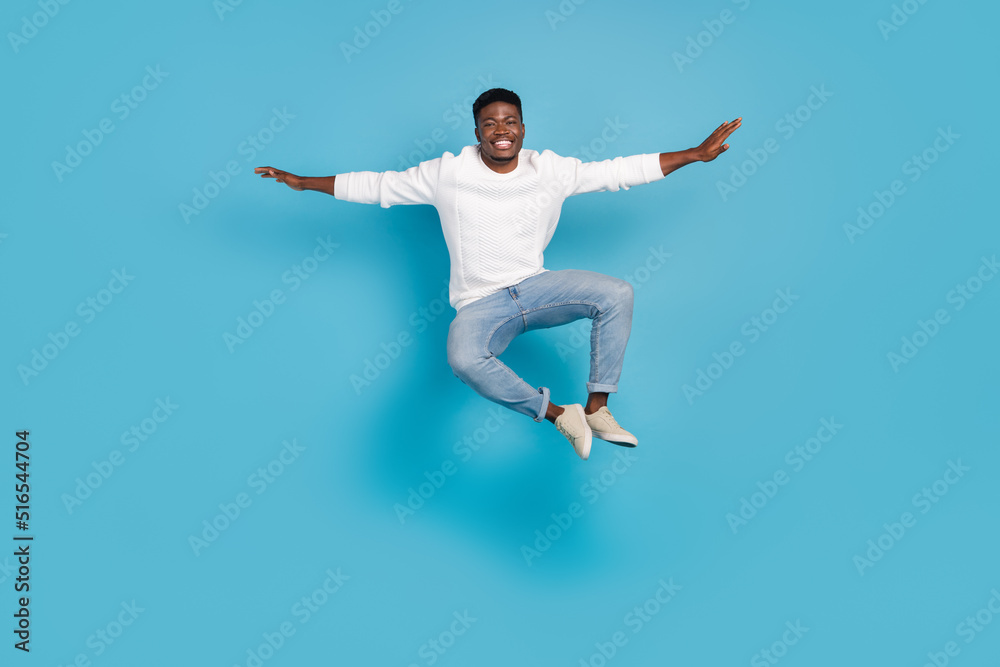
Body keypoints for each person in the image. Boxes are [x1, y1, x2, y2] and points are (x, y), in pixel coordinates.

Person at [255, 88, 740, 460]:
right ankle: (560, 414)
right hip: (481, 304)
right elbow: (378, 186)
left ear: (524, 129)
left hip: (537, 286)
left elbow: (617, 171)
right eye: (490, 123)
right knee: (464, 358)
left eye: (510, 121)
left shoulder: (549, 169)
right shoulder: (446, 173)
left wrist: (692, 155)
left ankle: (597, 408)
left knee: (616, 293)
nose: (500, 129)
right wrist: (302, 182)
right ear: (478, 132)